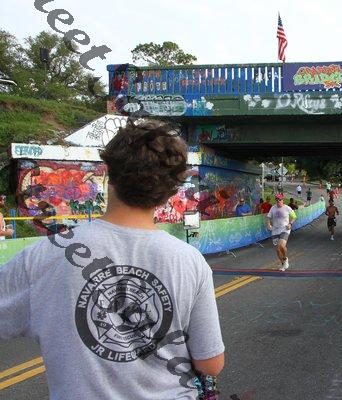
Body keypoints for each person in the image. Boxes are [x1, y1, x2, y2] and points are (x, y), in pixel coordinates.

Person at [0, 120, 225, 399]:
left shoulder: (43, 255)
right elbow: (210, 364)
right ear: (171, 191)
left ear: (108, 174)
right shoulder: (190, 261)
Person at [266, 193, 296, 271]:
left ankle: (285, 258)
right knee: (278, 250)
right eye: (277, 199)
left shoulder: (287, 208)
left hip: (285, 229)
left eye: (280, 199)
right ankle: (283, 264)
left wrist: (290, 223)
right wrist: (268, 225)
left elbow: (294, 217)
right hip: (275, 230)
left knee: (281, 245)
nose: (278, 201)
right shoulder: (273, 208)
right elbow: (268, 217)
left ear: (283, 200)